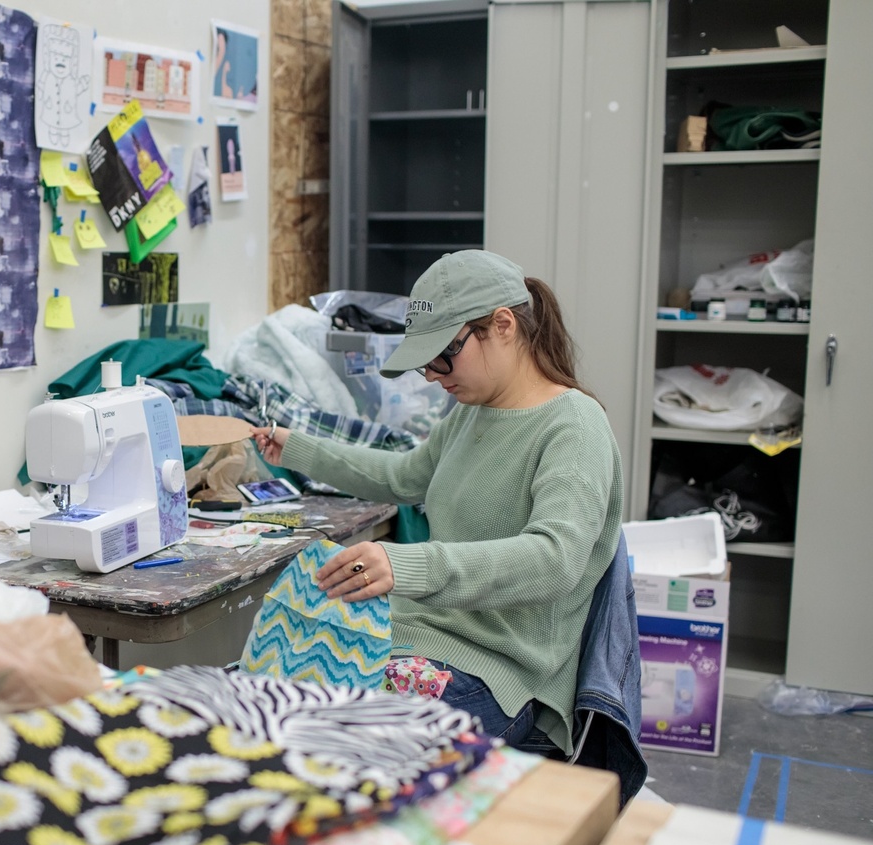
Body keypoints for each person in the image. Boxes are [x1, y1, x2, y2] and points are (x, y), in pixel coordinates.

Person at [253, 250, 623, 757]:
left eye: (443, 355)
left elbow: (555, 560)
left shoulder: (574, 427)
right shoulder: (471, 415)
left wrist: (405, 565)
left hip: (497, 672)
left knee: (314, 742)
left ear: (503, 325)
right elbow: (402, 475)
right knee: (254, 699)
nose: (431, 375)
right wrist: (296, 448)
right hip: (411, 638)